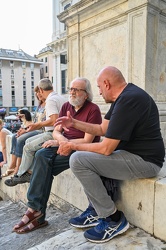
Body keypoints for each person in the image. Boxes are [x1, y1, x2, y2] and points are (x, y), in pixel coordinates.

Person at [55, 66, 165, 243]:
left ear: (106, 84)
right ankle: (96, 209)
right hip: (131, 154)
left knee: (78, 160)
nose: (98, 92)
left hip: (146, 161)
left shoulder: (130, 99)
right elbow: (102, 129)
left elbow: (106, 148)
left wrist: (72, 146)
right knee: (85, 157)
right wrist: (74, 123)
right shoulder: (123, 97)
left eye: (99, 87)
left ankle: (113, 219)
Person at [12, 77, 102, 234]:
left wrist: (66, 143)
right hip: (64, 144)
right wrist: (61, 141)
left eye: (76, 90)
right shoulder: (66, 106)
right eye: (71, 89)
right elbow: (56, 130)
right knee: (41, 155)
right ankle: (35, 210)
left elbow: (88, 139)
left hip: (81, 148)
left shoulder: (93, 110)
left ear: (86, 94)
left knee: (43, 164)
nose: (72, 92)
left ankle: (36, 212)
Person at [4, 78, 66, 186]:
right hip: (57, 132)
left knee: (27, 147)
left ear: (41, 90)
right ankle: (25, 172)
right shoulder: (61, 97)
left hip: (54, 134)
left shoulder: (50, 100)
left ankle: (21, 175)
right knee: (27, 142)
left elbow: (54, 120)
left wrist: (36, 125)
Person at [2, 87, 46, 177]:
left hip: (41, 131)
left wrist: (26, 130)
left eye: (40, 92)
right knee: (15, 136)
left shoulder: (48, 105)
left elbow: (41, 124)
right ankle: (13, 164)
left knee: (21, 139)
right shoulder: (39, 107)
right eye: (37, 93)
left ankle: (17, 167)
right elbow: (34, 122)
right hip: (35, 129)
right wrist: (24, 130)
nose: (38, 94)